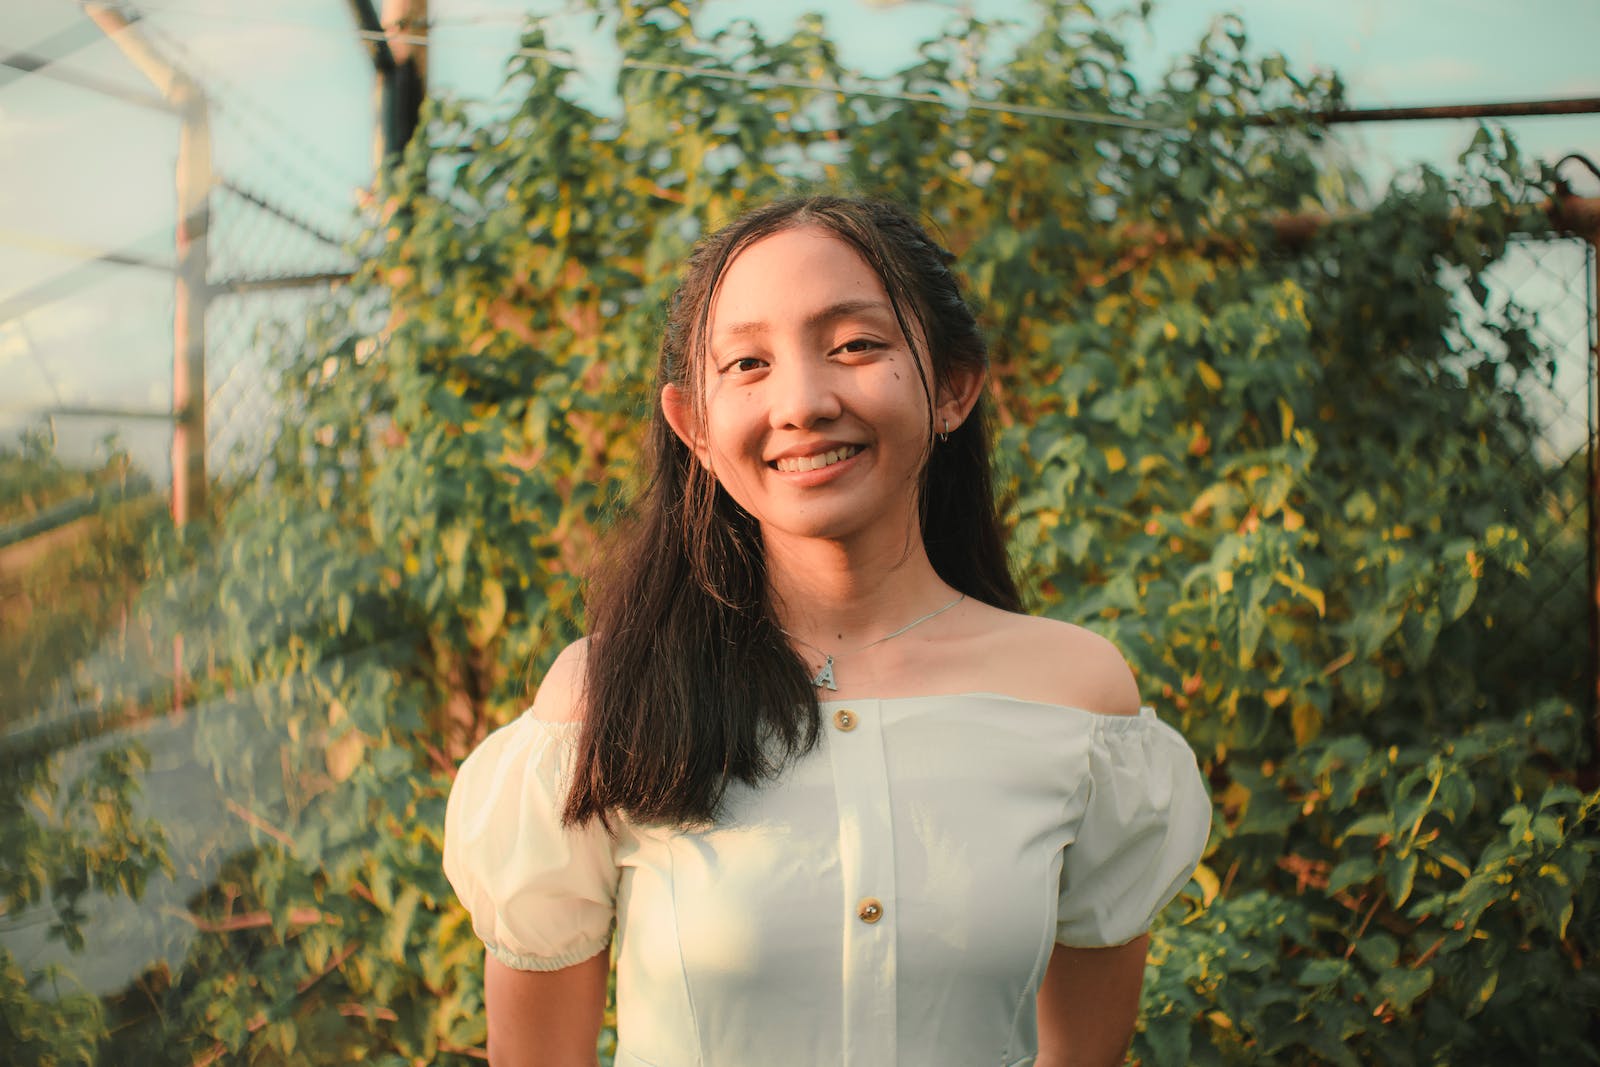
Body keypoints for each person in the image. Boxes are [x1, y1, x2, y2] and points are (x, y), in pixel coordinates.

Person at [443, 194, 1211, 1067]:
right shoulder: (603, 700)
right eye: (746, 363)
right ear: (693, 425)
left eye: (854, 345)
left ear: (954, 387)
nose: (803, 402)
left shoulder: (1079, 700)